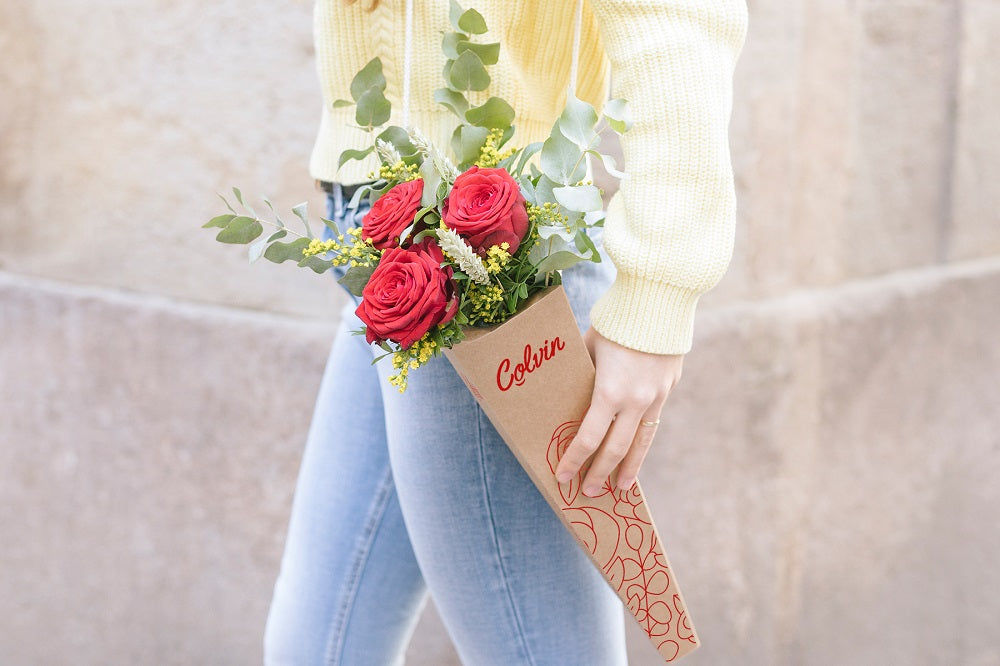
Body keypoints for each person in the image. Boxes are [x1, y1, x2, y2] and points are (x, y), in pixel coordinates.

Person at [264, 1, 747, 664]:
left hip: (502, 258)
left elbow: (679, 19)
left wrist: (656, 294)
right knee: (318, 649)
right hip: (384, 238)